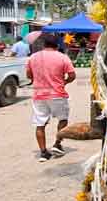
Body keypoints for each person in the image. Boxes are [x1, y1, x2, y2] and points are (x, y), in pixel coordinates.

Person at [26, 33, 76, 162]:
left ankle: (43, 153)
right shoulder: (63, 57)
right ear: (57, 45)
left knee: (40, 124)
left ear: (43, 44)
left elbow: (29, 75)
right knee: (63, 120)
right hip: (57, 94)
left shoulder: (33, 57)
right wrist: (64, 82)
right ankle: (57, 144)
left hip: (39, 95)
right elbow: (72, 75)